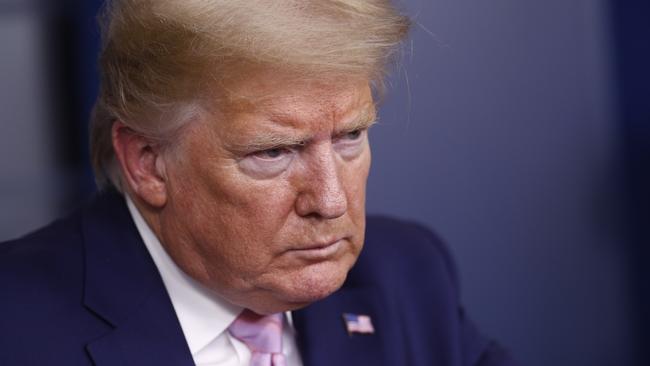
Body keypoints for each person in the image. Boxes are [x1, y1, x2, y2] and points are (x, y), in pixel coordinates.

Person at [0, 1, 518, 365]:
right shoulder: (15, 327)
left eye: (350, 136)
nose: (331, 202)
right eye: (273, 152)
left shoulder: (406, 276)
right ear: (148, 162)